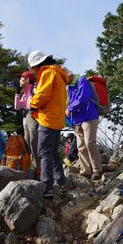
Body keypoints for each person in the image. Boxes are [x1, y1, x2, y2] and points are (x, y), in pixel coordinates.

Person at [28, 51, 69, 198]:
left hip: (47, 119)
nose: (36, 71)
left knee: (44, 153)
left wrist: (31, 105)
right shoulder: (59, 74)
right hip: (57, 120)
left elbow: (42, 95)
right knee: (53, 153)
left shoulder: (47, 73)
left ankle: (46, 187)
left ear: (38, 65)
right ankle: (62, 183)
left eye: (35, 68)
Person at [66, 71, 103, 180]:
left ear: (69, 75)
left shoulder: (81, 80)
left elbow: (83, 97)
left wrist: (70, 108)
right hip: (78, 119)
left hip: (89, 116)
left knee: (89, 143)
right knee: (81, 146)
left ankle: (97, 170)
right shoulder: (70, 86)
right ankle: (86, 170)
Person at [14, 71, 41, 178]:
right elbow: (17, 107)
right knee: (27, 144)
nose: (19, 81)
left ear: (27, 80)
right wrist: (17, 92)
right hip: (27, 116)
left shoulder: (33, 90)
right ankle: (30, 168)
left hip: (34, 115)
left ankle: (39, 169)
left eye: (21, 78)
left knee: (34, 141)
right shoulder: (25, 93)